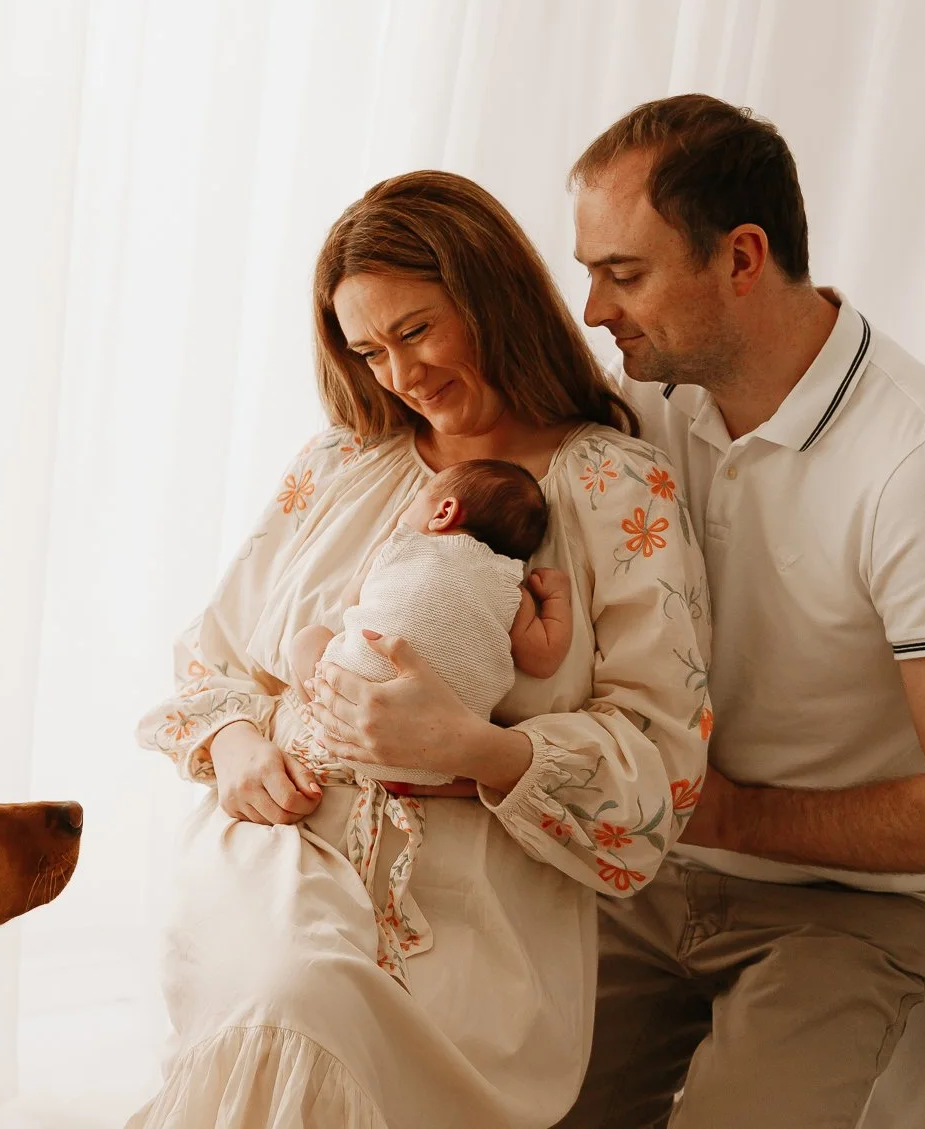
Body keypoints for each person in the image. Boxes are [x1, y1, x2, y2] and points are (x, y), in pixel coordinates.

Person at [130, 170, 712, 1129]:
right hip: (277, 858)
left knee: (317, 1008)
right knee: (289, 994)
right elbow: (214, 663)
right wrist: (236, 748)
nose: (399, 376)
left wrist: (472, 746)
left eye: (415, 332)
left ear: (493, 302)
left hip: (469, 921)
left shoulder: (614, 488)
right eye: (366, 349)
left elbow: (658, 778)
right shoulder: (337, 466)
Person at [556, 93, 925, 1128]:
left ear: (742, 256)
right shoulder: (648, 402)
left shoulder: (919, 465)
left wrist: (723, 809)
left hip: (849, 907)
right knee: (480, 1095)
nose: (596, 309)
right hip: (651, 877)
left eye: (623, 272)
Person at [279, 459, 572, 983]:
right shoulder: (512, 586)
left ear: (443, 512)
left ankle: (315, 707)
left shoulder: (402, 545)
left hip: (345, 714)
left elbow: (353, 603)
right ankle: (431, 782)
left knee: (308, 640)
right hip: (436, 761)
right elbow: (545, 658)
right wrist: (557, 600)